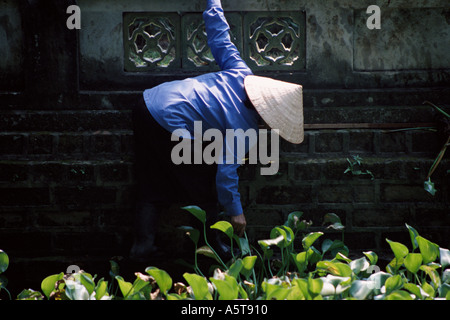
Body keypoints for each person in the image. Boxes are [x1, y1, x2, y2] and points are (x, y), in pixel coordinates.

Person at [130, 0, 304, 262]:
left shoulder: (240, 71)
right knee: (206, 189)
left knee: (152, 185)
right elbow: (225, 172)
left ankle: (142, 249)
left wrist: (213, 2)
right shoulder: (245, 129)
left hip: (147, 104)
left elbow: (219, 36)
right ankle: (211, 251)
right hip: (171, 123)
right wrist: (236, 212)